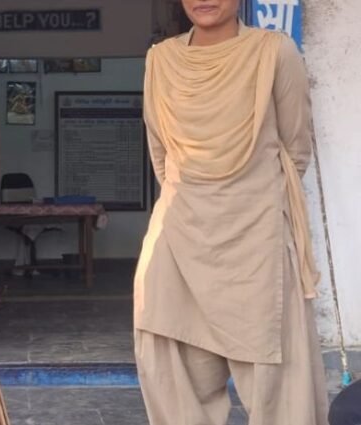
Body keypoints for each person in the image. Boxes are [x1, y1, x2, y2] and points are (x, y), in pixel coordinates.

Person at [134, 0, 328, 423]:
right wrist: (197, 198)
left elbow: (295, 150)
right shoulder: (161, 60)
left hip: (256, 236)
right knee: (170, 356)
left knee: (275, 373)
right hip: (179, 231)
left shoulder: (274, 51)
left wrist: (244, 197)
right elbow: (161, 154)